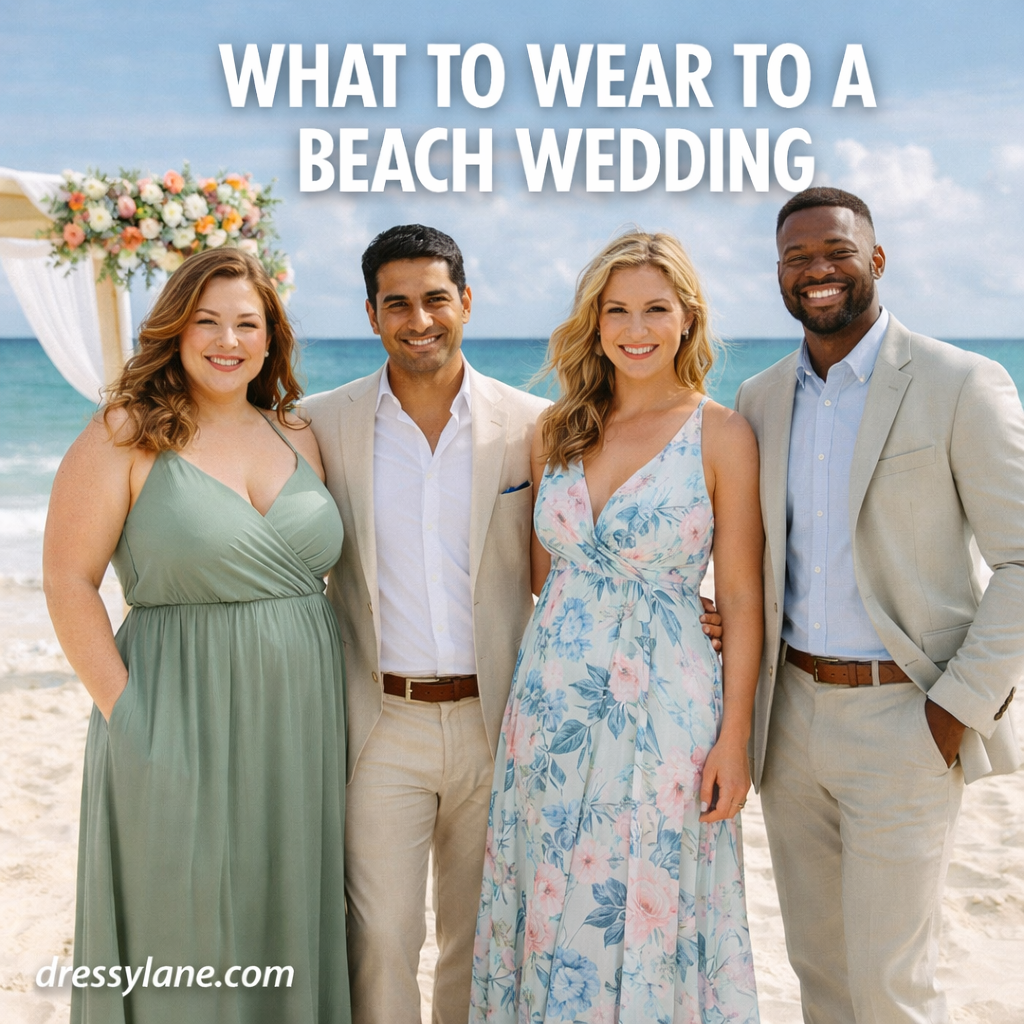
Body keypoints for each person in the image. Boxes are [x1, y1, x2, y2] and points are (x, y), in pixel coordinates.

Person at [735, 186, 1024, 1024]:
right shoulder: (758, 399)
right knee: (821, 975)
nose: (817, 271)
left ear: (877, 260)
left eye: (837, 252)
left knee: (893, 987)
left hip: (907, 720)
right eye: (797, 258)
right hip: (788, 724)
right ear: (779, 274)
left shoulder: (960, 382)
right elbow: (759, 560)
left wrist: (955, 710)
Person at [43, 248, 351, 1024]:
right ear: (175, 331)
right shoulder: (125, 432)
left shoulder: (297, 434)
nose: (228, 340)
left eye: (247, 323)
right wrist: (129, 715)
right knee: (181, 923)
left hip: (300, 726)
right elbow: (68, 580)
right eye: (207, 321)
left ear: (271, 337)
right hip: (172, 712)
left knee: (282, 913)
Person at [471, 231, 764, 1023]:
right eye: (617, 311)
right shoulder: (555, 431)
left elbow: (742, 597)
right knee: (549, 888)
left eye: (656, 310)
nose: (637, 330)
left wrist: (734, 739)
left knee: (645, 892)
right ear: (593, 323)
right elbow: (548, 577)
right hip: (550, 703)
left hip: (666, 707)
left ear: (688, 318)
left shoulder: (721, 434)